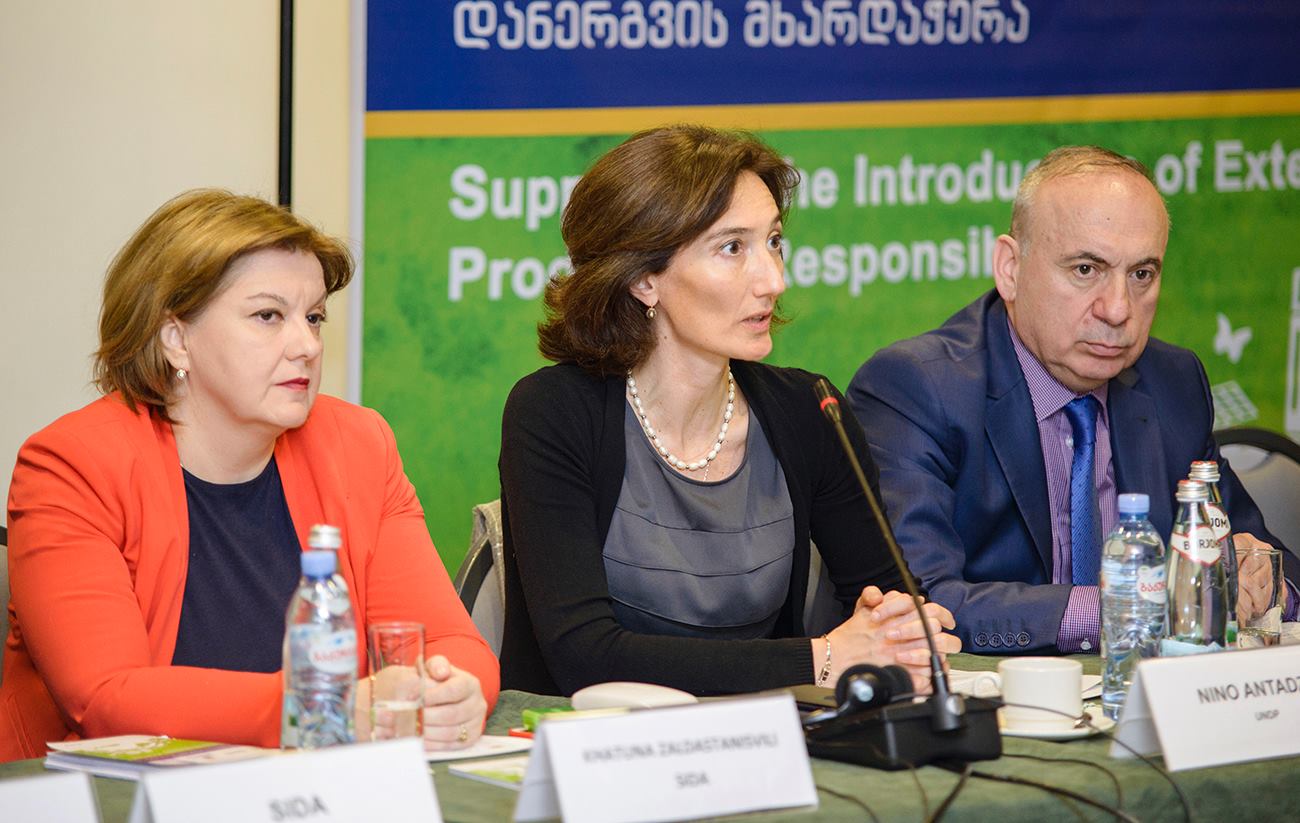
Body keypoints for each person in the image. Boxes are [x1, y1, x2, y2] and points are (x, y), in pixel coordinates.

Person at [1, 190, 498, 762]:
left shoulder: (358, 446)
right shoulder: (71, 465)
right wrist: (321, 711)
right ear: (175, 338)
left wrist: (453, 692)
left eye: (314, 317)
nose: (307, 346)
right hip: (113, 792)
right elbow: (106, 697)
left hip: (314, 787)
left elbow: (450, 643)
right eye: (268, 316)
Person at [498, 125, 959, 697]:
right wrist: (822, 658)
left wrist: (904, 629)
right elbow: (583, 657)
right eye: (732, 248)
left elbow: (888, 597)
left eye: (774, 242)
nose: (774, 280)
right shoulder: (553, 413)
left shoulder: (809, 410)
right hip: (588, 740)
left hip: (768, 737)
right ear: (643, 278)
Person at [847, 145, 1297, 655]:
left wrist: (1266, 582)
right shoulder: (915, 387)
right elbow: (919, 604)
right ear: (1010, 268)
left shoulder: (1171, 381)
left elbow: (1268, 556)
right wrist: (1128, 607)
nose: (1118, 309)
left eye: (1142, 274)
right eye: (1086, 269)